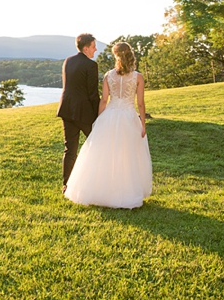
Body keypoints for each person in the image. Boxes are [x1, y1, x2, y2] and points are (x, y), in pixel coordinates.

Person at [64, 41, 152, 209]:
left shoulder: (108, 75)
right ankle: (125, 192)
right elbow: (140, 103)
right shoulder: (138, 77)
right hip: (128, 116)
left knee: (106, 154)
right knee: (127, 155)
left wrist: (99, 121)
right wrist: (143, 124)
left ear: (116, 56)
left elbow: (104, 100)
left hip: (110, 116)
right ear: (130, 54)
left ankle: (100, 191)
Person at [57, 33, 101, 193]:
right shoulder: (91, 65)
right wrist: (100, 113)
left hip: (67, 109)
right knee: (98, 146)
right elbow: (92, 94)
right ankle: (96, 182)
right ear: (86, 47)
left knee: (70, 149)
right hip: (84, 113)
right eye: (94, 46)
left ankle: (67, 185)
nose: (96, 49)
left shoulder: (68, 61)